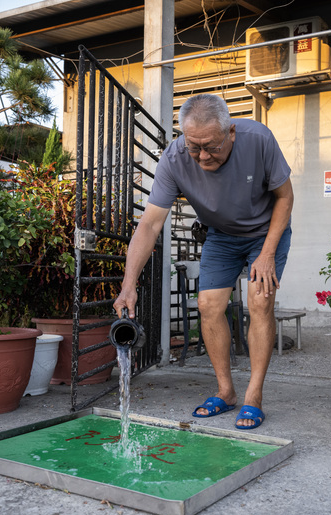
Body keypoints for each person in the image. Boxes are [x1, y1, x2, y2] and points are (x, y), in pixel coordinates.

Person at [113, 94, 293, 430]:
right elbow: (150, 224)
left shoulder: (259, 140)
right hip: (222, 236)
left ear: (231, 133)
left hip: (266, 232)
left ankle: (254, 396)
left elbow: (285, 197)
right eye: (194, 147)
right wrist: (128, 286)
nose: (203, 156)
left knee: (259, 300)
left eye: (211, 146)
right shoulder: (174, 158)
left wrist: (267, 254)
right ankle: (226, 392)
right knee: (209, 305)